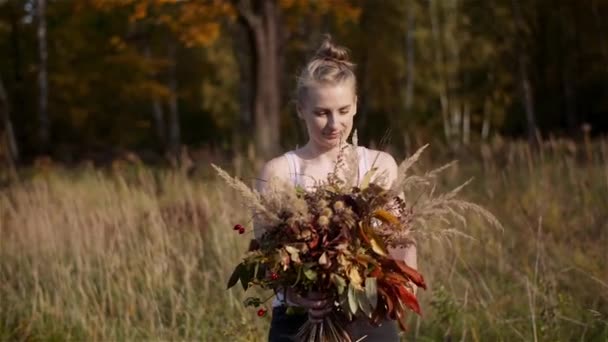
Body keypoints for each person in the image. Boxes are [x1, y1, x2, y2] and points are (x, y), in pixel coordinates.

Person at [255, 35, 418, 342]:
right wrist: (300, 296)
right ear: (300, 109)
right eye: (322, 112)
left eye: (343, 110)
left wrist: (399, 287)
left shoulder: (380, 166)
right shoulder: (278, 172)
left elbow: (401, 242)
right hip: (299, 323)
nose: (334, 123)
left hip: (370, 315)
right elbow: (265, 263)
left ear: (356, 105)